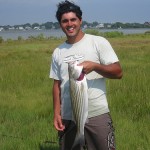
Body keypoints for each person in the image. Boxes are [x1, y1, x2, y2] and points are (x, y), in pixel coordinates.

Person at [49, 1, 123, 150]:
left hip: (97, 115)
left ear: (80, 20)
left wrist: (95, 66)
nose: (69, 24)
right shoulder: (58, 51)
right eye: (65, 21)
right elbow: (57, 85)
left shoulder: (97, 42)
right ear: (60, 24)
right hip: (68, 117)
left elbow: (118, 72)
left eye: (73, 19)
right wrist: (57, 113)